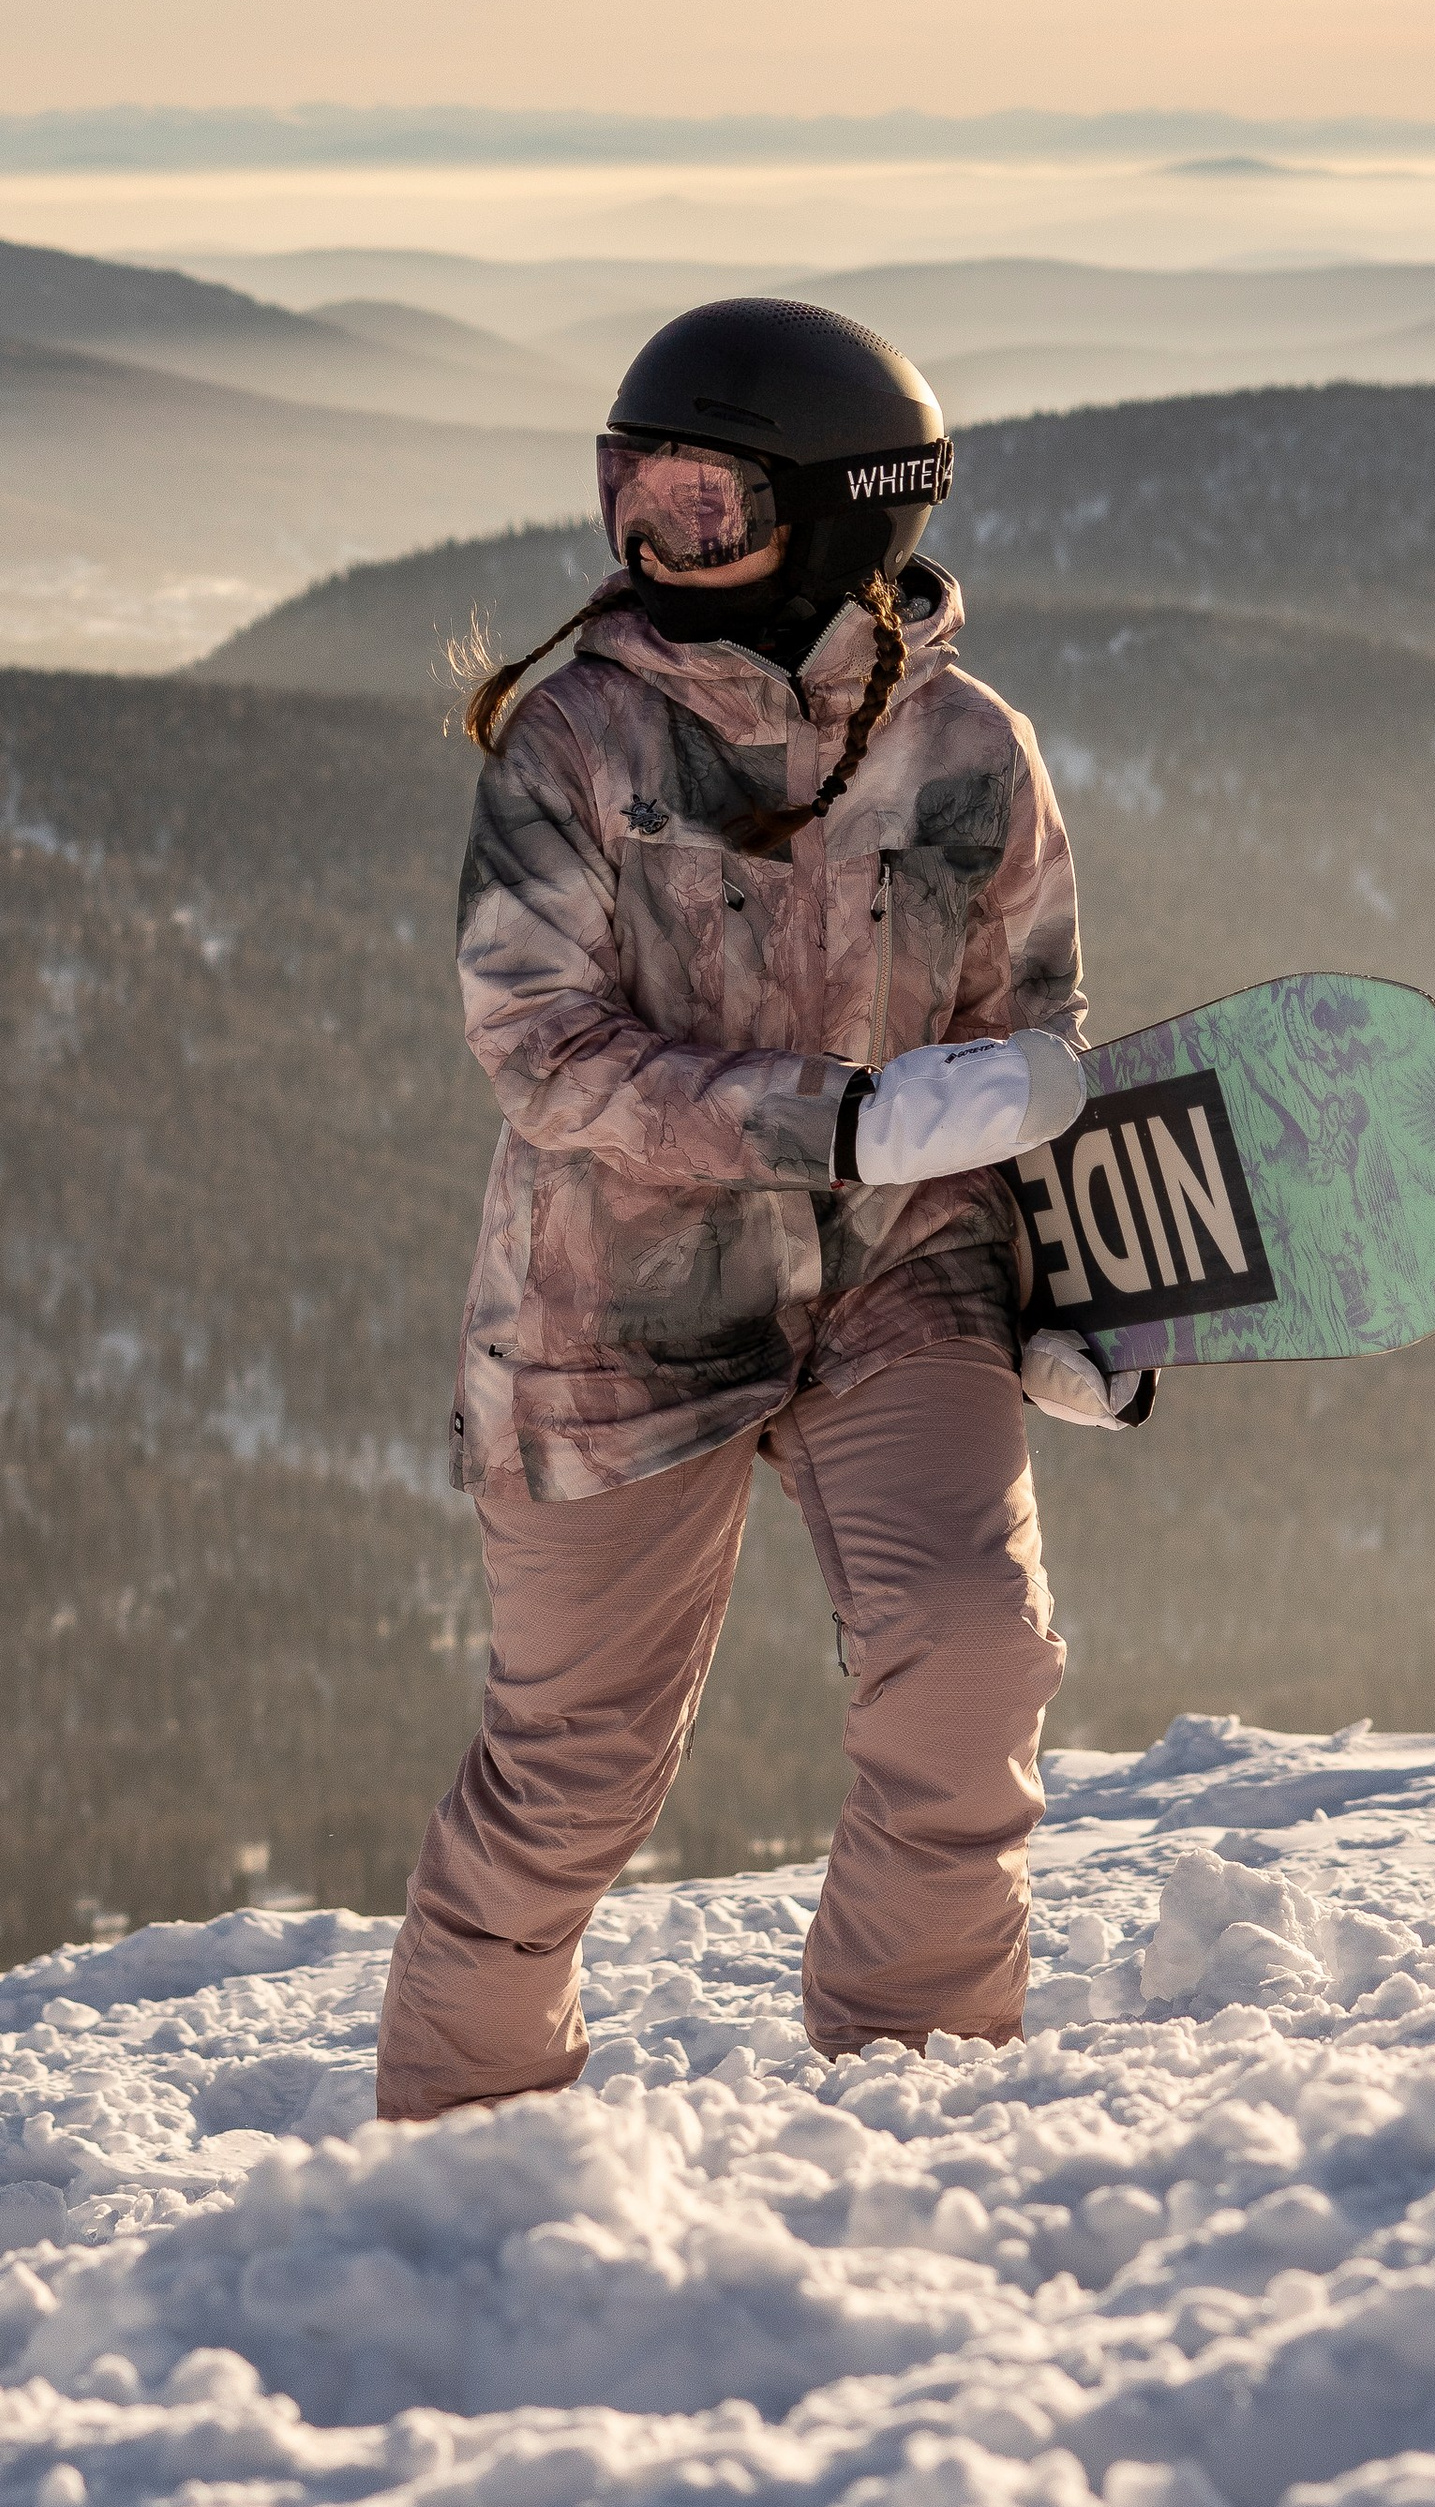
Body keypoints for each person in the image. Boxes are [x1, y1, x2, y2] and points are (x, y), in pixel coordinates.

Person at [374, 296, 1148, 2122]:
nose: (658, 548)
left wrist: (1069, 1293)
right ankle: (459, 2158)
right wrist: (846, 1118)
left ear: (855, 514)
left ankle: (916, 2095)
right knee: (574, 1773)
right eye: (633, 501)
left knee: (970, 1659)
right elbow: (545, 1052)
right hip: (618, 1310)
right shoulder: (575, 746)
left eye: (707, 510)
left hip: (904, 1283)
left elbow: (1030, 1039)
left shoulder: (973, 758)